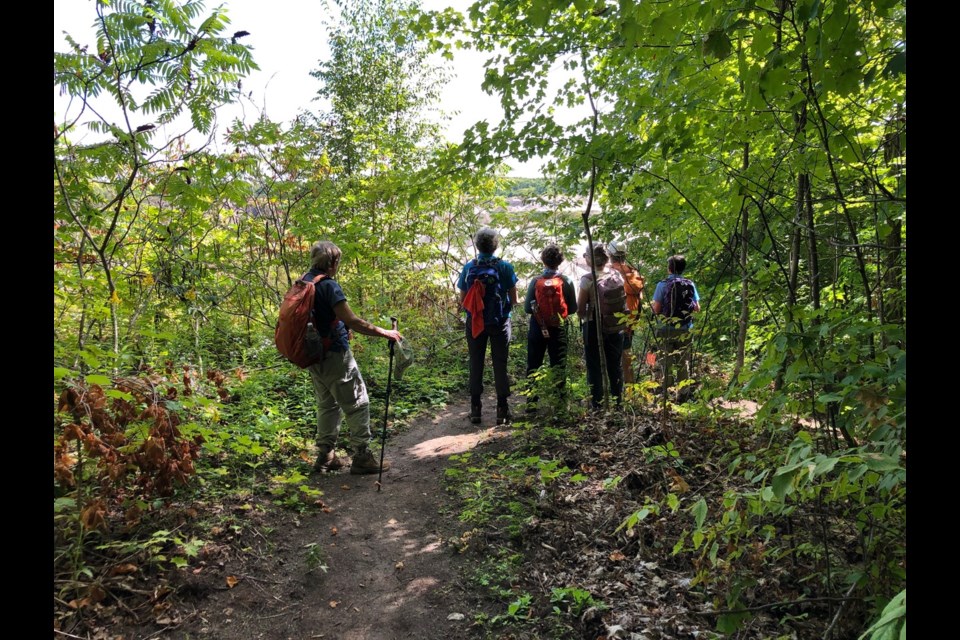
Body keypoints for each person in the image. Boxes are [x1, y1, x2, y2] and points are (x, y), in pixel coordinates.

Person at [303, 241, 403, 474]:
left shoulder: (305, 281)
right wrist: (384, 332)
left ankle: (326, 456)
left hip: (313, 354)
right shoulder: (328, 286)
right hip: (335, 354)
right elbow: (353, 321)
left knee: (327, 404)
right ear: (333, 263)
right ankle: (362, 456)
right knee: (358, 402)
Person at [457, 227, 519, 425]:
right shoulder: (505, 267)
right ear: (495, 246)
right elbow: (514, 299)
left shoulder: (469, 267)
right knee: (500, 364)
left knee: (476, 362)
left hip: (475, 321)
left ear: (477, 245)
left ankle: (476, 409)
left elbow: (463, 300)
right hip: (500, 322)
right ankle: (502, 409)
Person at [524, 244, 578, 412]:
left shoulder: (535, 281)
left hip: (537, 327)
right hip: (558, 328)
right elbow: (574, 308)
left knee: (534, 363)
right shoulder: (566, 281)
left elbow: (527, 308)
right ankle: (560, 402)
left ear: (543, 260)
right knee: (558, 363)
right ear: (560, 261)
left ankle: (531, 403)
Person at [577, 244, 625, 410]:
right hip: (616, 325)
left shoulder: (587, 279)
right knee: (615, 365)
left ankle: (596, 404)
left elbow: (580, 309)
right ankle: (618, 401)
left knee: (594, 366)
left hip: (593, 327)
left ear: (590, 259)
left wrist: (582, 315)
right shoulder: (616, 274)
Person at [651, 254, 701, 393]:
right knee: (683, 362)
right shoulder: (690, 284)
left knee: (665, 362)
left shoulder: (662, 284)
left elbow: (656, 309)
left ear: (669, 268)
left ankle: (667, 393)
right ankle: (683, 393)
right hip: (685, 328)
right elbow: (697, 308)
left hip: (665, 328)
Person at [607, 240, 646, 385]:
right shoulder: (634, 273)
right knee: (626, 354)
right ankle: (630, 388)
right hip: (630, 322)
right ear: (625, 255)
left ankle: (614, 389)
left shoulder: (609, 273)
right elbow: (639, 298)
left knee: (610, 358)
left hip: (612, 322)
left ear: (610, 255)